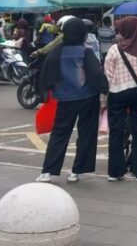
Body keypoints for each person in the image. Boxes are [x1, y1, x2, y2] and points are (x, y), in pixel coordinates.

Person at [35, 18, 108, 183]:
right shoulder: (85, 51)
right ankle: (79, 170)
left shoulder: (57, 51)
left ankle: (48, 171)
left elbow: (46, 72)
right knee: (86, 134)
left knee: (59, 133)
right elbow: (95, 74)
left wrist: (46, 92)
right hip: (88, 97)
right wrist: (104, 88)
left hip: (65, 98)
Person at [104, 16, 137, 182]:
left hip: (118, 92)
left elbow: (107, 75)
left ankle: (115, 172)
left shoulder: (115, 49)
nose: (119, 34)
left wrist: (103, 99)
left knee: (116, 131)